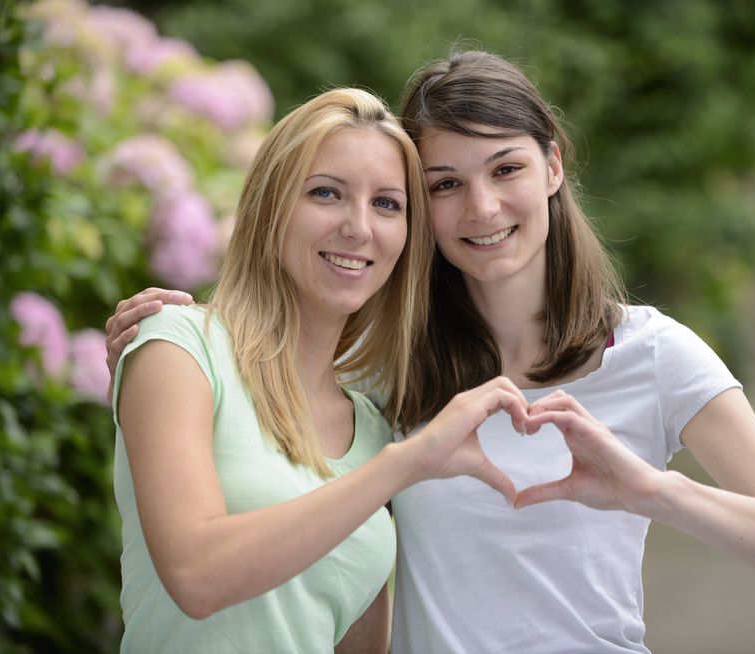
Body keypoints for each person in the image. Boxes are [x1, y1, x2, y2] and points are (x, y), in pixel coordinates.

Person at [106, 53, 755, 653]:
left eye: (506, 168)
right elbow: (276, 362)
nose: (482, 208)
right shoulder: (384, 372)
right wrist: (177, 330)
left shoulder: (650, 353)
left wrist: (651, 493)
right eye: (444, 184)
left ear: (553, 166)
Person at [110, 86, 533, 653]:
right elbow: (196, 576)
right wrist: (402, 465)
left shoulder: (372, 426)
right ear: (271, 205)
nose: (359, 227)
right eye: (327, 193)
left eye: (387, 204)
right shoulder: (179, 348)